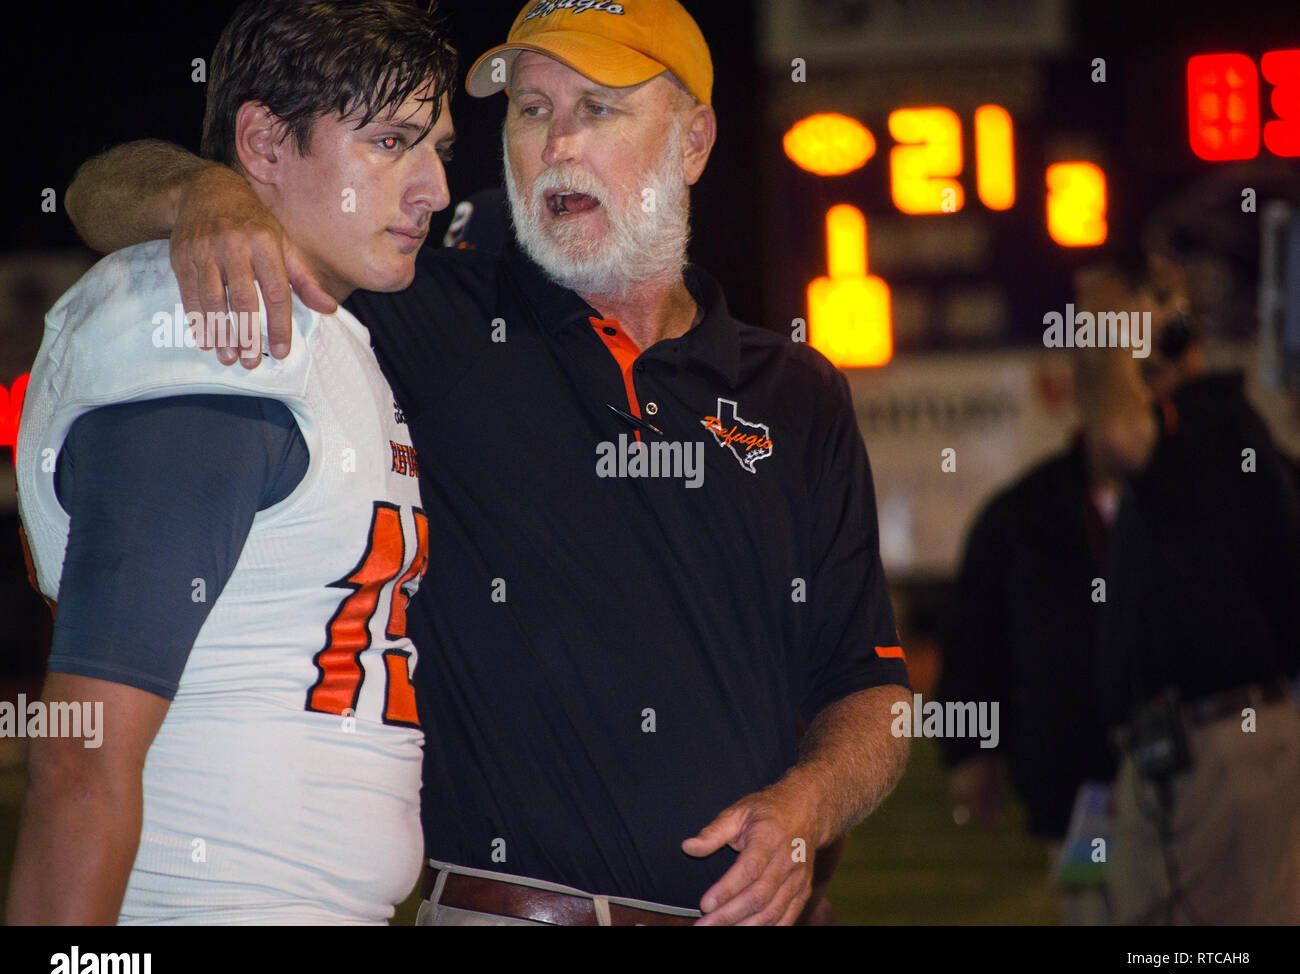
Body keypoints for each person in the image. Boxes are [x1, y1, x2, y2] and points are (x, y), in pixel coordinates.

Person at [64, 0, 911, 926]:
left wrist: (807, 809)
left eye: (598, 108)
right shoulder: (420, 309)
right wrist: (205, 196)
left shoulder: (797, 395)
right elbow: (96, 193)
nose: (557, 144)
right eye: (532, 110)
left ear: (694, 141)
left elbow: (869, 689)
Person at [8, 0, 457, 924]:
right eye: (390, 142)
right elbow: (81, 755)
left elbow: (99, 185)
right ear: (263, 143)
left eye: (438, 149)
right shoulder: (215, 333)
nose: (434, 189)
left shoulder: (324, 326)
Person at [938, 260, 1158, 925]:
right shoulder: (1023, 513)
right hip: (1081, 791)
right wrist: (970, 751)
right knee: (1093, 910)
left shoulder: (1202, 498)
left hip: (1192, 781)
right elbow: (976, 639)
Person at [1095, 254, 1300, 924]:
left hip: (1228, 743)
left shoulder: (1211, 418)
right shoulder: (1206, 435)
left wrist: (1123, 329)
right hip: (1184, 749)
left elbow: (1119, 434)